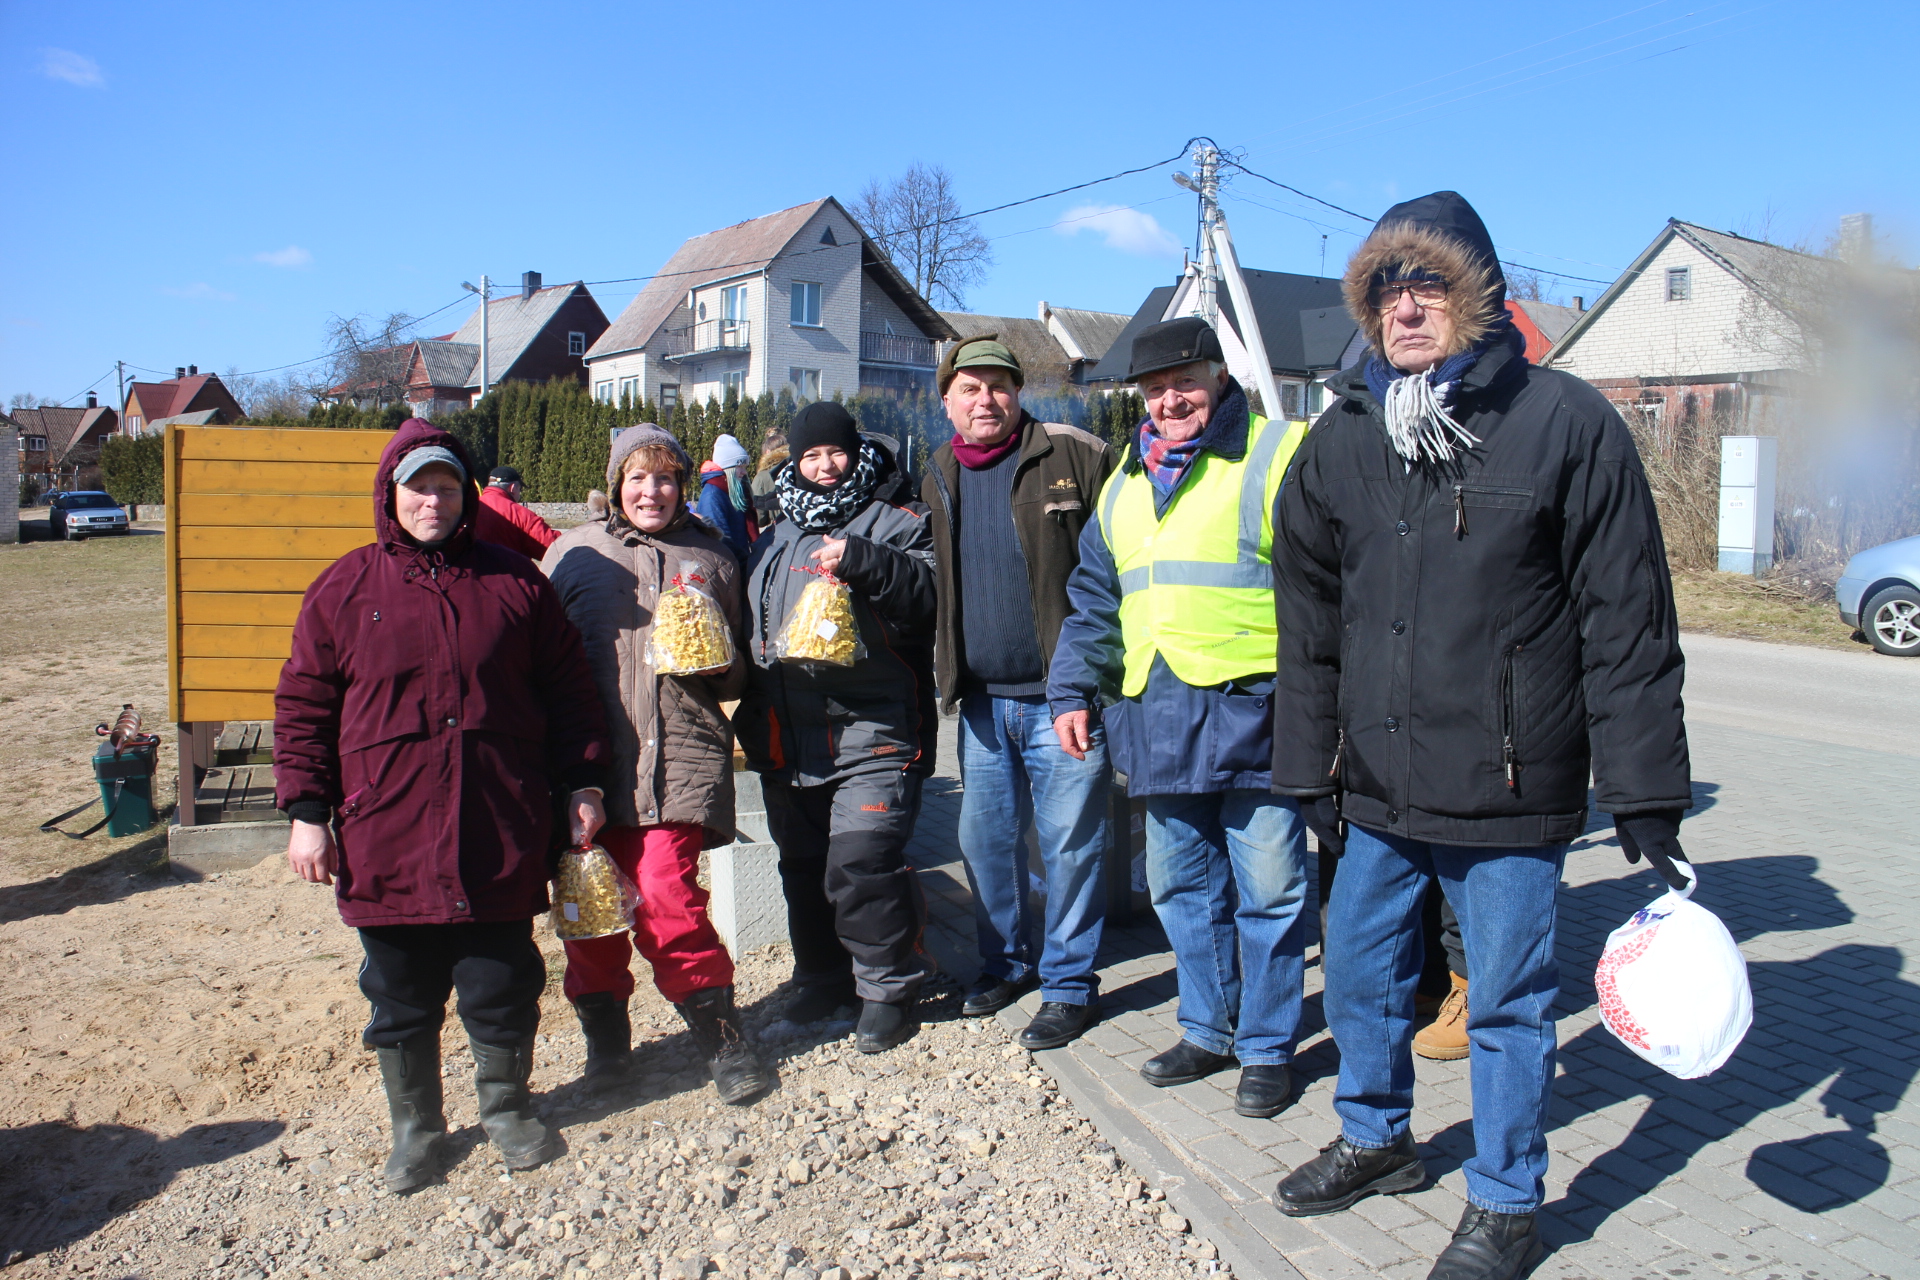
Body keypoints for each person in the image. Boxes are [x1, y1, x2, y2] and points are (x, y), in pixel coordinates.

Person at [1269, 192, 1694, 1280]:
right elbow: (1308, 623)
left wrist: (1645, 787)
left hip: (1510, 783)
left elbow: (1627, 616)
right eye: (1385, 289)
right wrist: (1307, 763)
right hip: (1376, 778)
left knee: (1505, 1000)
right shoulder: (1339, 439)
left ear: (1478, 295)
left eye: (1429, 284)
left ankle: (1507, 1198)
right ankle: (1376, 1136)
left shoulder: (1563, 422)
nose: (1406, 308)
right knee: (1362, 975)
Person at [274, 420, 612, 1193]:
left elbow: (569, 695)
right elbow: (302, 706)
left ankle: (506, 1110)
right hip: (384, 830)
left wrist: (583, 783)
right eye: (418, 487)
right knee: (400, 995)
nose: (433, 501)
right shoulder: (344, 589)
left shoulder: (517, 583)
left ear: (467, 495)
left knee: (501, 982)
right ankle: (417, 1130)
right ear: (390, 497)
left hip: (498, 822)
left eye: (448, 486)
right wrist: (308, 809)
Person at [1048, 318, 1312, 1120]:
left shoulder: (1276, 454)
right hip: (1158, 715)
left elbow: (1323, 585)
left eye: (1186, 382)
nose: (1170, 400)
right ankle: (1207, 1028)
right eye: (1155, 388)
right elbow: (1096, 595)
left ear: (1219, 379)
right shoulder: (1125, 479)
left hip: (1258, 713)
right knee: (1179, 888)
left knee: (1269, 890)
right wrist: (1070, 689)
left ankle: (1267, 1047)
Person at [541, 425, 776, 1105]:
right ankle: (608, 1052)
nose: (652, 491)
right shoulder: (573, 555)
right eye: (638, 478)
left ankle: (726, 1042)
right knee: (595, 915)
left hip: (679, 757)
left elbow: (738, 673)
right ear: (616, 484)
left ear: (684, 484)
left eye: (666, 477)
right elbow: (543, 665)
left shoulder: (713, 556)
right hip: (592, 765)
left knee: (670, 901)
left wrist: (718, 659)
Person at [921, 336, 1114, 1050]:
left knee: (1071, 847)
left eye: (998, 386)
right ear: (946, 400)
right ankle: (1005, 964)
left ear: (1018, 392)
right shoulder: (937, 470)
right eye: (968, 388)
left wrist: (1091, 678)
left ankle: (1068, 986)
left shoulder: (1074, 454)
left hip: (1059, 702)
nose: (985, 400)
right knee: (984, 841)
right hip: (979, 703)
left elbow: (1116, 564)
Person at [733, 401, 938, 1054]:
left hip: (871, 729)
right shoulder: (773, 535)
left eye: (835, 453)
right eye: (810, 455)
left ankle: (887, 988)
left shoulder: (897, 519)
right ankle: (822, 976)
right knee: (803, 866)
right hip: (786, 734)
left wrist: (865, 561)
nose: (824, 466)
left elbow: (931, 596)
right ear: (794, 462)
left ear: (856, 453)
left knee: (862, 859)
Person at [476, 464, 561, 560]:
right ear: (512, 488)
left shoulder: (468, 507)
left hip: (471, 572)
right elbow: (552, 547)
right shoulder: (521, 515)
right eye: (519, 489)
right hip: (511, 572)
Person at [694, 433, 756, 557]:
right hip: (730, 564)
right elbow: (721, 541)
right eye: (739, 466)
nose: (744, 472)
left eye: (745, 467)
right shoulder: (712, 496)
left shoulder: (731, 492)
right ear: (728, 468)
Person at [751, 431, 788, 530]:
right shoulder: (799, 468)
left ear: (767, 452)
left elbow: (759, 515)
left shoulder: (762, 476)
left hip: (777, 530)